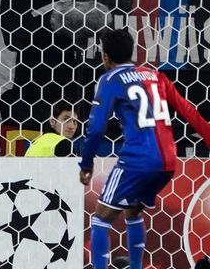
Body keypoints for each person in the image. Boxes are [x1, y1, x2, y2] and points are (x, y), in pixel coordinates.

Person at [79, 29, 210, 269]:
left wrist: (86, 163)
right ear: (132, 54)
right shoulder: (155, 76)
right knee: (133, 211)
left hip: (137, 160)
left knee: (100, 218)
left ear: (105, 57)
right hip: (168, 161)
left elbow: (96, 129)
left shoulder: (110, 80)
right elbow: (187, 110)